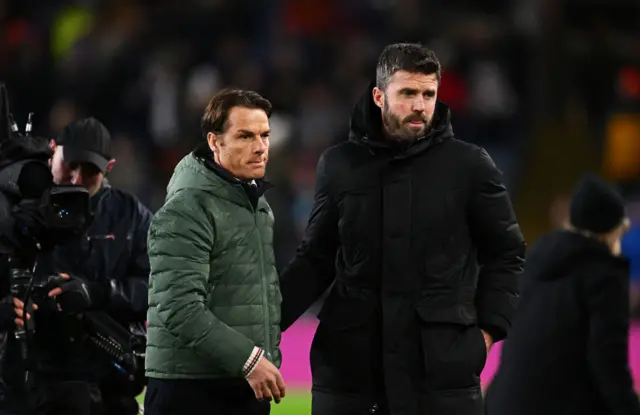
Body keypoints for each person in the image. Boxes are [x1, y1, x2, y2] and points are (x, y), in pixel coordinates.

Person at [279, 43, 526, 415]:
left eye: (428, 94)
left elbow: (506, 253)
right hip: (351, 375)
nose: (420, 105)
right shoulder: (340, 164)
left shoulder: (470, 166)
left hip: (441, 377)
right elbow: (315, 260)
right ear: (379, 96)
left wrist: (487, 333)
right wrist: (264, 324)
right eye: (408, 93)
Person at [144, 88, 285, 415]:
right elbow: (179, 307)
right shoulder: (187, 208)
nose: (260, 147)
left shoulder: (254, 204)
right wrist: (250, 360)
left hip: (240, 382)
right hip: (191, 388)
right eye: (245, 136)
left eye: (265, 135)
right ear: (214, 142)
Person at [0, 117, 152, 415]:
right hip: (32, 386)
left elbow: (161, 289)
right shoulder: (14, 208)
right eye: (70, 164)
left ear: (109, 169)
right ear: (52, 151)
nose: (77, 178)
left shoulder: (129, 216)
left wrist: (98, 293)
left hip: (108, 388)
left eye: (91, 170)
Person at [485, 174, 640, 415]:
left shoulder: (537, 262)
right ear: (610, 228)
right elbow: (608, 362)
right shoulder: (604, 276)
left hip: (501, 404)